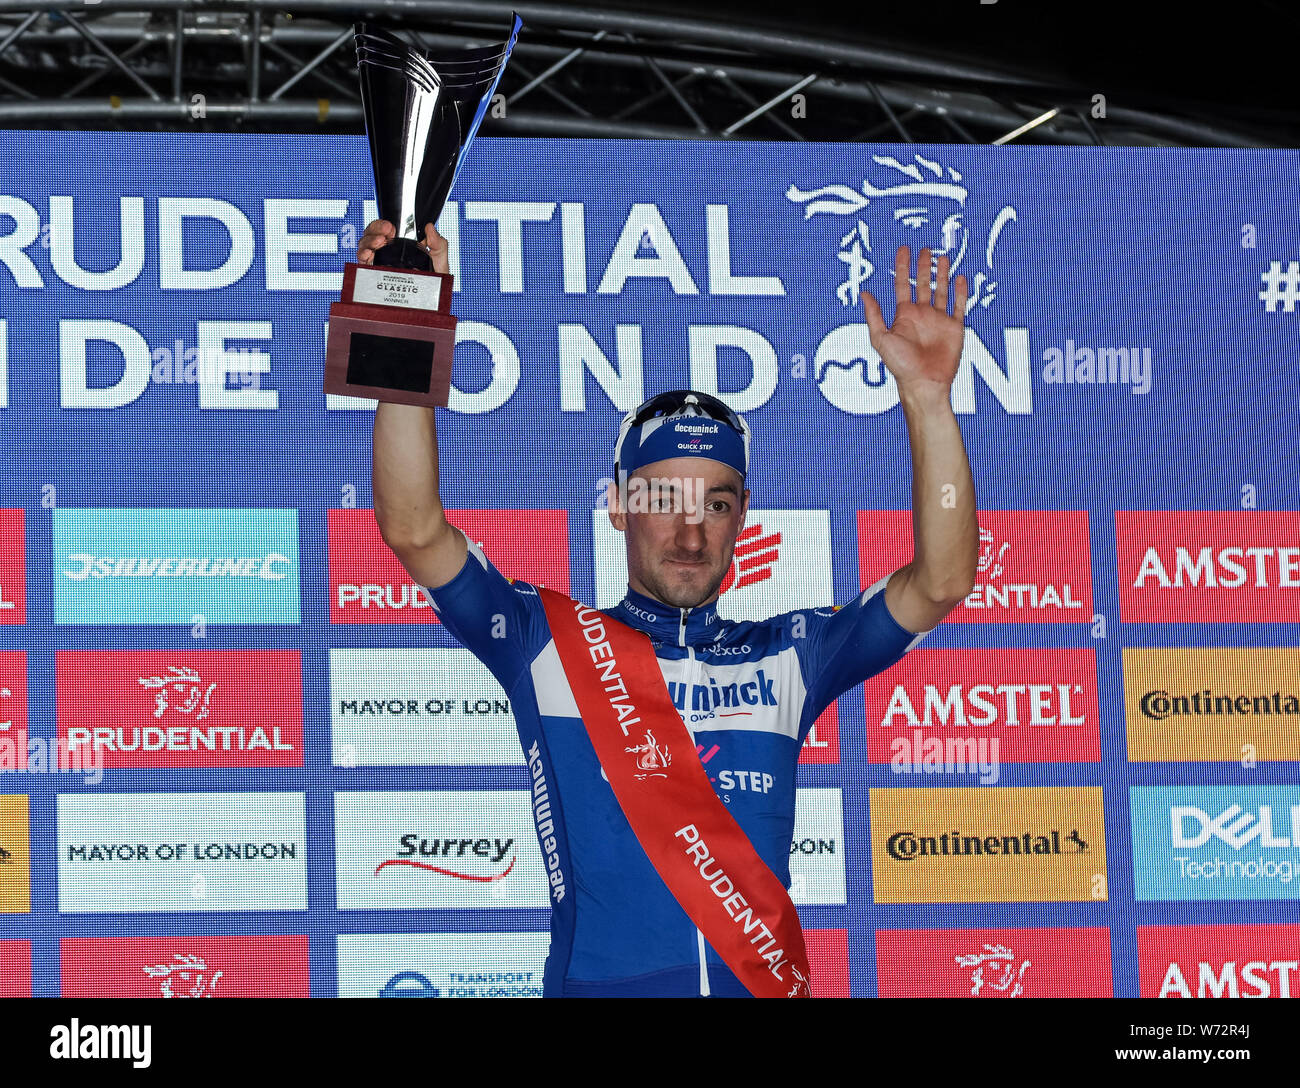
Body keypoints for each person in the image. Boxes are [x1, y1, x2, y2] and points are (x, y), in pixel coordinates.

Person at [362, 218, 979, 997]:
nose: (690, 532)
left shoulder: (793, 652)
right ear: (618, 505)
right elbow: (412, 527)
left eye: (715, 505)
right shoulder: (544, 638)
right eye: (663, 499)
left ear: (743, 514)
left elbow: (943, 581)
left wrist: (927, 398)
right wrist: (403, 317)